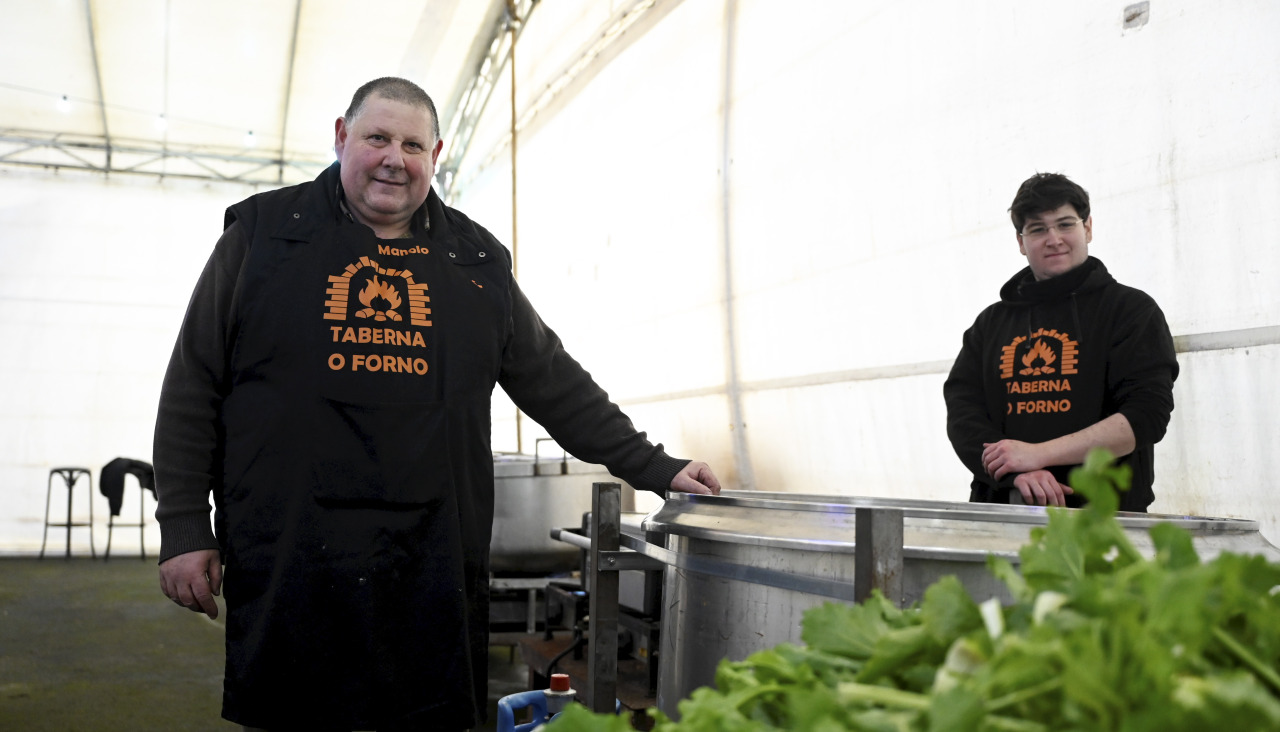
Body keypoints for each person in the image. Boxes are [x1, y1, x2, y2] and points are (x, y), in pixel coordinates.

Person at [153, 77, 720, 731]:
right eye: (378, 138)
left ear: (436, 155)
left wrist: (656, 467)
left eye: (413, 144)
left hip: (427, 560)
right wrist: (186, 526)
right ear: (342, 137)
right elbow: (194, 383)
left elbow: (554, 383)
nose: (395, 157)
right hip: (293, 554)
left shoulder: (472, 261)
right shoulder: (263, 236)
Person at [943, 172, 1177, 511]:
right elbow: (964, 413)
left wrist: (1036, 455)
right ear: (1021, 242)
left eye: (1065, 224)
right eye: (1037, 229)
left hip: (1104, 522)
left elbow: (1145, 417)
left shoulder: (1130, 311)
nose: (1053, 239)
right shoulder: (991, 323)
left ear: (1088, 229)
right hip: (1004, 513)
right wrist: (1013, 473)